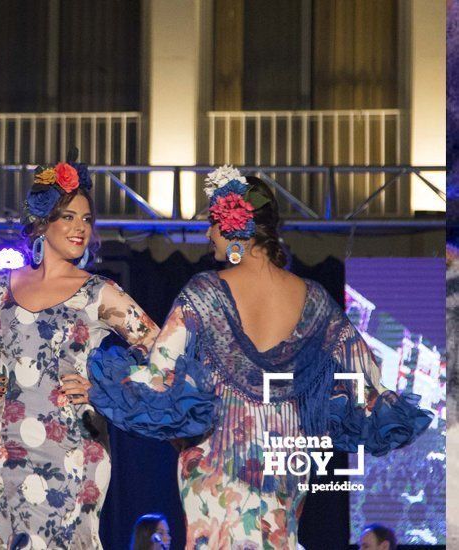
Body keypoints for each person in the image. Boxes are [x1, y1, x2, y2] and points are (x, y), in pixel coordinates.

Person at [90, 166, 433, 549]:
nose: (207, 234)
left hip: (216, 456)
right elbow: (366, 377)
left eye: (212, 223)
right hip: (284, 458)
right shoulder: (315, 299)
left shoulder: (204, 292)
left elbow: (158, 376)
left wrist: (99, 385)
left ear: (235, 225)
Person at [0, 151, 173, 549]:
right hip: (3, 449)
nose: (80, 228)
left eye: (86, 219)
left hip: (74, 449)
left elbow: (162, 352)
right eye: (68, 217)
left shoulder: (100, 292)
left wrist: (103, 388)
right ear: (42, 221)